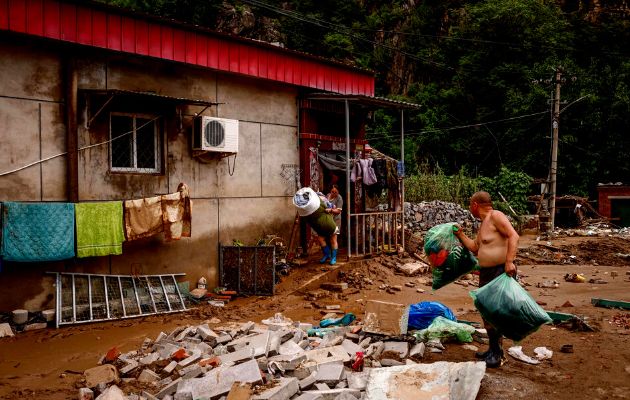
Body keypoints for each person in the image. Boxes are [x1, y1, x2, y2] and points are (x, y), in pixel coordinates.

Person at [453, 191, 519, 368]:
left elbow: (514, 235)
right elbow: (475, 248)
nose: (469, 208)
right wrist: (460, 235)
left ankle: (498, 355)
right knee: (486, 311)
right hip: (487, 273)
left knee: (495, 312)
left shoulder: (496, 216)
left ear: (475, 205)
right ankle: (492, 350)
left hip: (499, 271)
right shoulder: (484, 224)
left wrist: (510, 261)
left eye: (469, 205)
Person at [318, 185, 343, 265]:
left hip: (335, 221)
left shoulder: (339, 198)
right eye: (332, 192)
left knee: (333, 239)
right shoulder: (327, 196)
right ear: (330, 191)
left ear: (338, 192)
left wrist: (331, 210)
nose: (334, 193)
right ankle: (326, 254)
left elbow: (338, 211)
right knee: (320, 238)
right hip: (326, 220)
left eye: (336, 192)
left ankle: (333, 257)